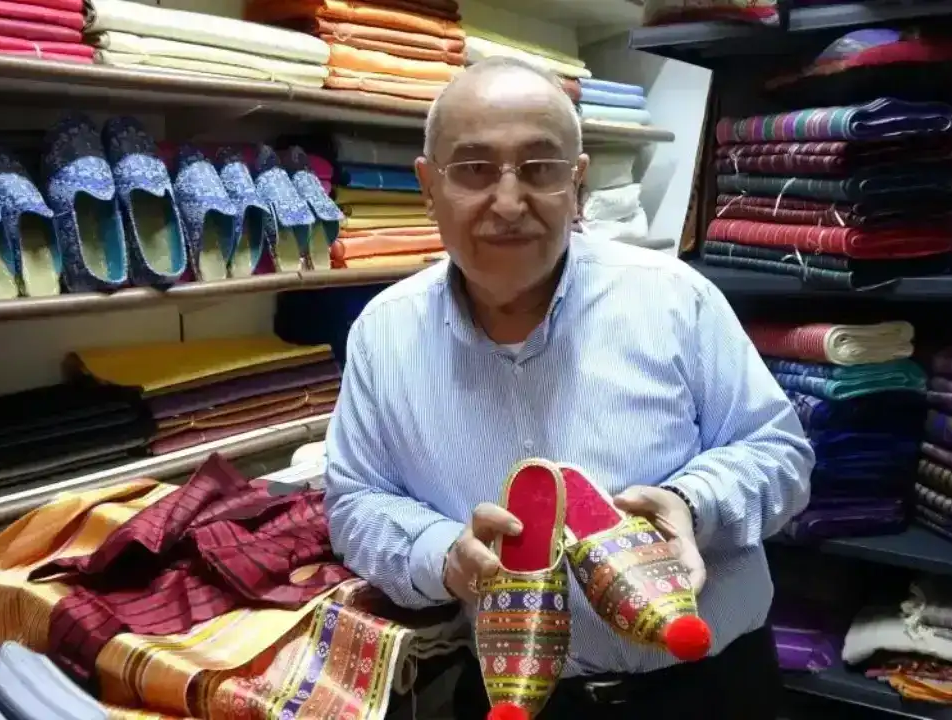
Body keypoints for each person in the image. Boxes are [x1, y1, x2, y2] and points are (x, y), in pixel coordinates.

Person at [323, 56, 815, 719]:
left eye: (540, 168)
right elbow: (356, 501)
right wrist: (445, 557)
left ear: (577, 183)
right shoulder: (383, 335)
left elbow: (780, 454)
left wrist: (690, 505)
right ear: (428, 185)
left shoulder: (674, 299)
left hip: (707, 687)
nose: (508, 203)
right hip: (515, 699)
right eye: (474, 169)